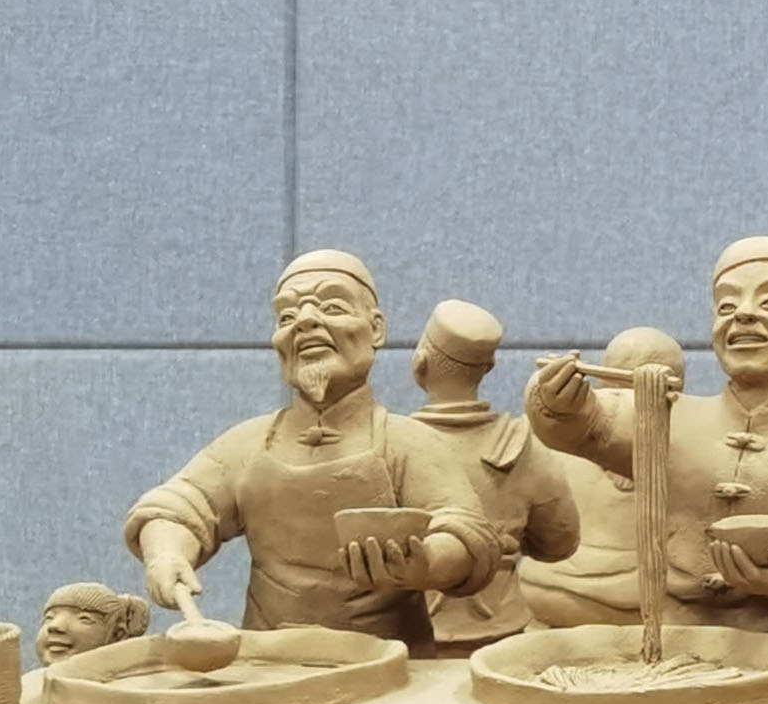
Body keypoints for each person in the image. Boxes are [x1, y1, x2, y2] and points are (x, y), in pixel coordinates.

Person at [127, 250, 503, 648]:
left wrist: (425, 563)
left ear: (375, 329)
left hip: (390, 667)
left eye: (332, 306)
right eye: (286, 316)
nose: (304, 321)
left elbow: (466, 533)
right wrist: (167, 554)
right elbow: (178, 506)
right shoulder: (250, 444)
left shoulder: (407, 441)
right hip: (269, 663)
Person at [525, 239, 768, 638]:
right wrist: (559, 403)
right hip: (670, 640)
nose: (743, 314)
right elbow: (593, 425)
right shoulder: (669, 418)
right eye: (726, 307)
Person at [404, 299, 580, 649]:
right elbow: (561, 541)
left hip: (414, 634)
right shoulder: (522, 444)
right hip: (504, 631)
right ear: (489, 366)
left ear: (419, 362)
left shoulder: (393, 443)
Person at [517, 327, 686, 627]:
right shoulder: (555, 445)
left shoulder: (694, 449)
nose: (633, 408)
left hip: (657, 603)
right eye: (618, 393)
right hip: (556, 593)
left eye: (648, 394)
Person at [33, 583, 146, 668]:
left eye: (84, 618)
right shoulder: (30, 687)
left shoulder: (133, 689)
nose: (54, 626)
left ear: (118, 634)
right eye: (49, 618)